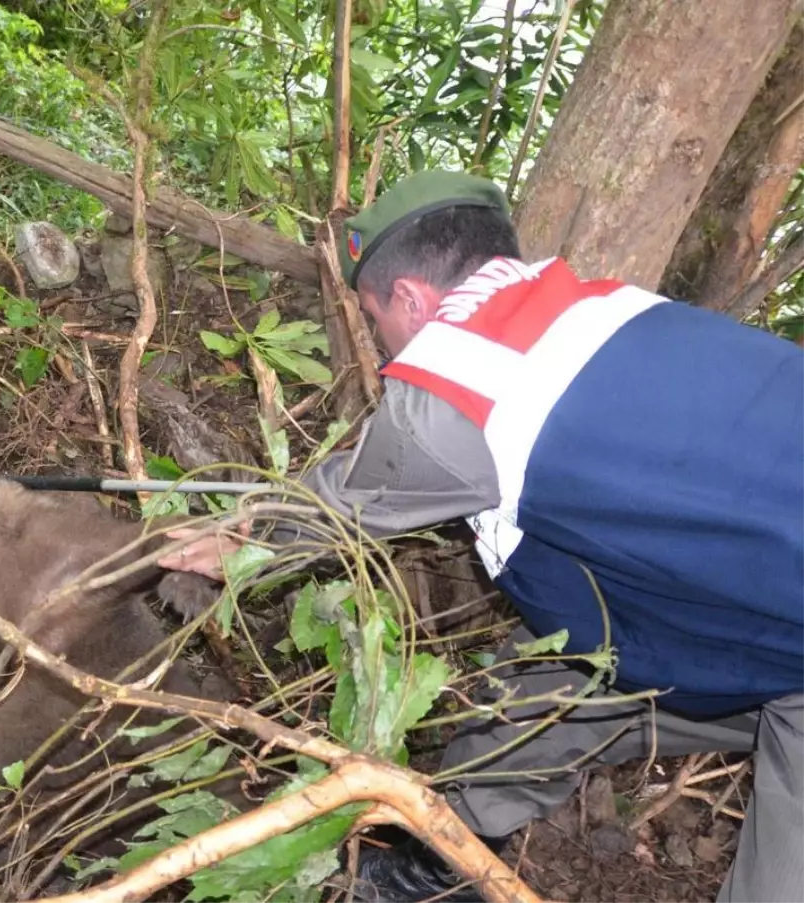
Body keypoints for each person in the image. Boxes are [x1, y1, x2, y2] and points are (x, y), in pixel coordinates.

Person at [158, 170, 804, 903]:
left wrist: (234, 541)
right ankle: (440, 865)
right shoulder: (606, 309)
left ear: (411, 298)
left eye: (374, 322)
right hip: (748, 615)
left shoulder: (462, 389)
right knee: (543, 691)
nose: (377, 351)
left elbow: (347, 505)